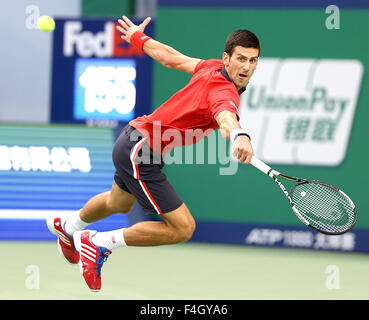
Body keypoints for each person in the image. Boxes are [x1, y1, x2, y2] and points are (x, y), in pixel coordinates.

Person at [46, 15, 259, 292]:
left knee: (118, 202)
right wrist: (239, 133)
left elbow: (172, 58)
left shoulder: (212, 67)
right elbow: (226, 116)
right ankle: (98, 243)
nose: (246, 67)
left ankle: (68, 225)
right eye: (241, 58)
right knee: (183, 228)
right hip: (140, 151)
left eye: (253, 61)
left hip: (131, 141)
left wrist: (139, 38)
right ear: (227, 57)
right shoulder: (225, 91)